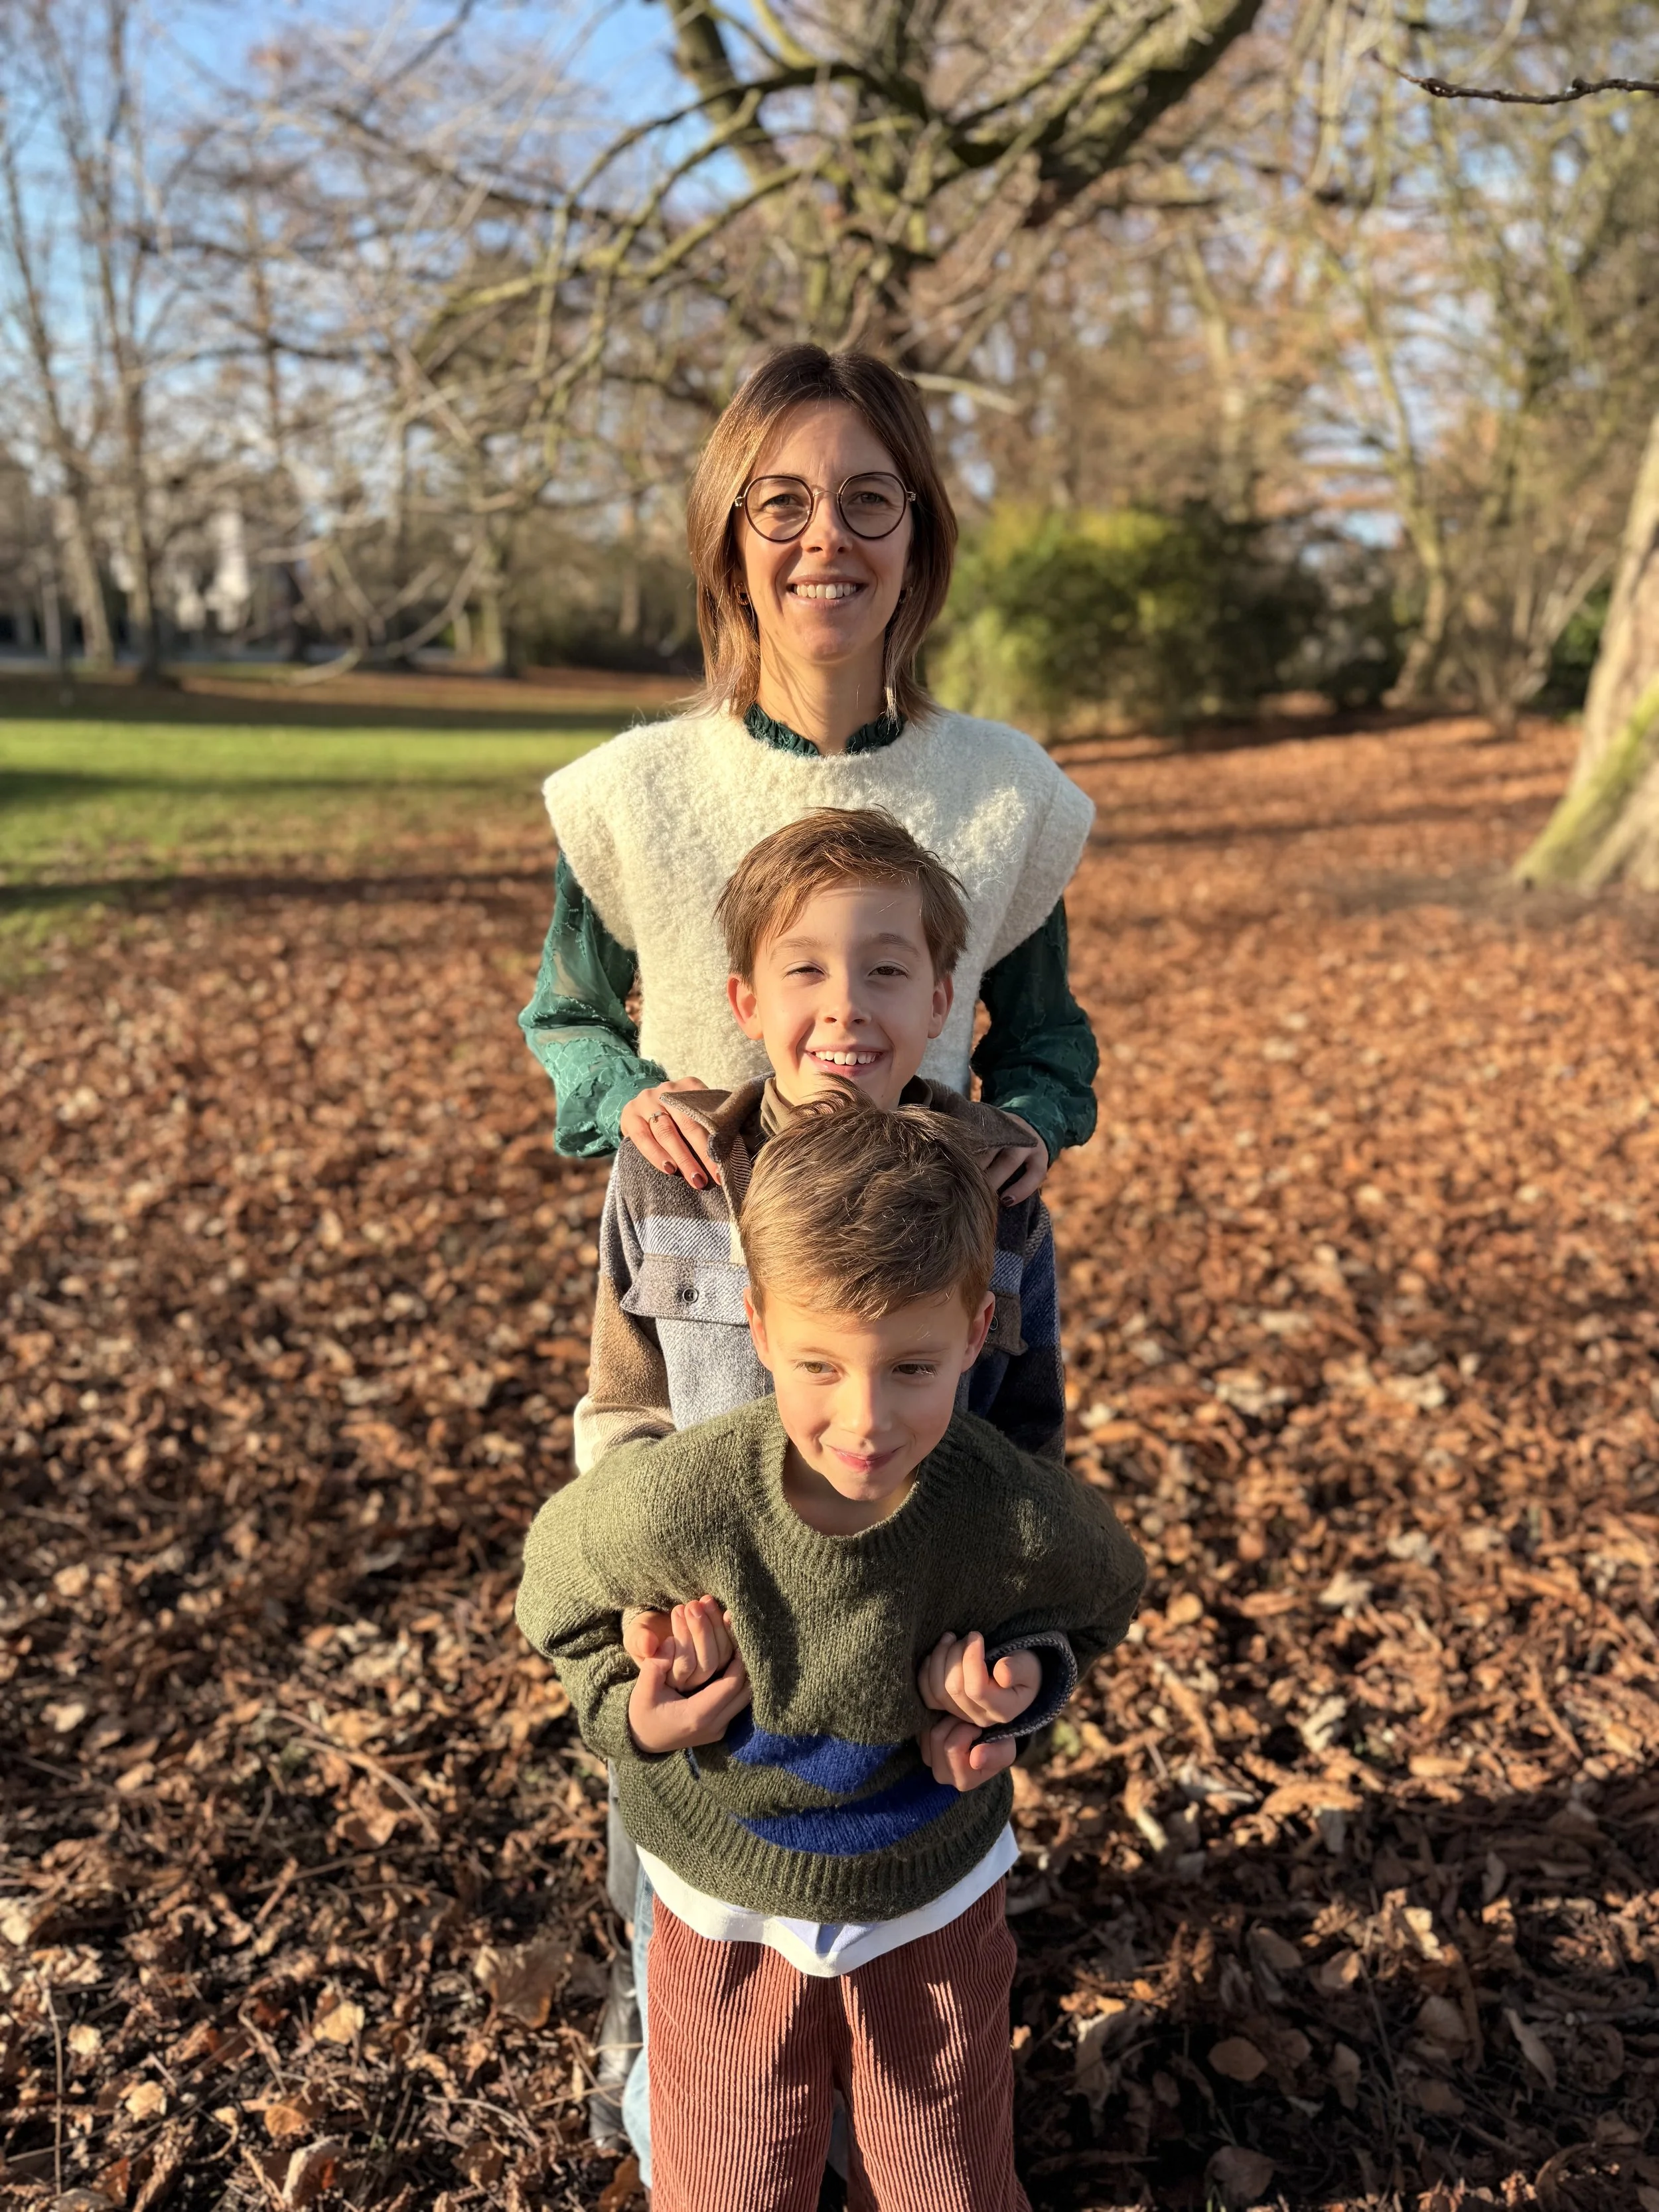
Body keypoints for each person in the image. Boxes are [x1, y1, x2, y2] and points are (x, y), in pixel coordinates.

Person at [516, 1103, 1145, 2212]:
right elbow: (553, 1588)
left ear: (977, 1326)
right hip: (723, 1907)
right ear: (757, 1328)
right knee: (731, 2184)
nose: (866, 1419)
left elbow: (1100, 1593)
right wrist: (640, 1714)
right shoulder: (688, 1496)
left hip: (930, 1900)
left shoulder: (999, 1501)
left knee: (946, 2181)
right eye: (821, 1362)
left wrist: (1023, 1684)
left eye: (912, 1366)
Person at [520, 342, 1100, 1217]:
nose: (826, 535)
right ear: (729, 537)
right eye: (783, 504)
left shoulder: (1007, 791)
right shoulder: (631, 792)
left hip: (921, 1309)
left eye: (867, 500)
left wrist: (1028, 1119)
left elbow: (1044, 1038)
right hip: (695, 1283)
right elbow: (569, 1018)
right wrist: (624, 1094)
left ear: (917, 535)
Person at [577, 805, 1064, 1477]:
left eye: (886, 971)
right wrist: (652, 1567)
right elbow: (625, 1410)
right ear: (747, 1003)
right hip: (713, 1573)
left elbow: (1030, 1436)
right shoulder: (668, 1167)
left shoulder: (1001, 1180)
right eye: (805, 970)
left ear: (937, 1002)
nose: (846, 1006)